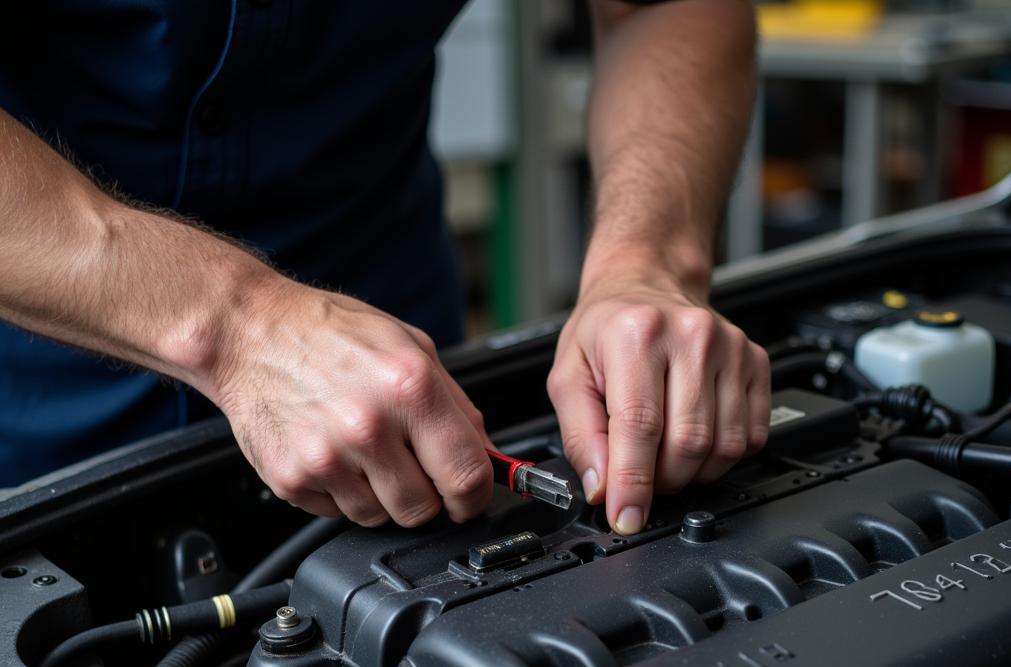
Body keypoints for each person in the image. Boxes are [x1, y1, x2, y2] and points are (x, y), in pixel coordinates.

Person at [0, 0, 768, 536]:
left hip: (399, 366)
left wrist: (645, 260)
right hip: (36, 409)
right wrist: (236, 322)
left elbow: (661, 6)